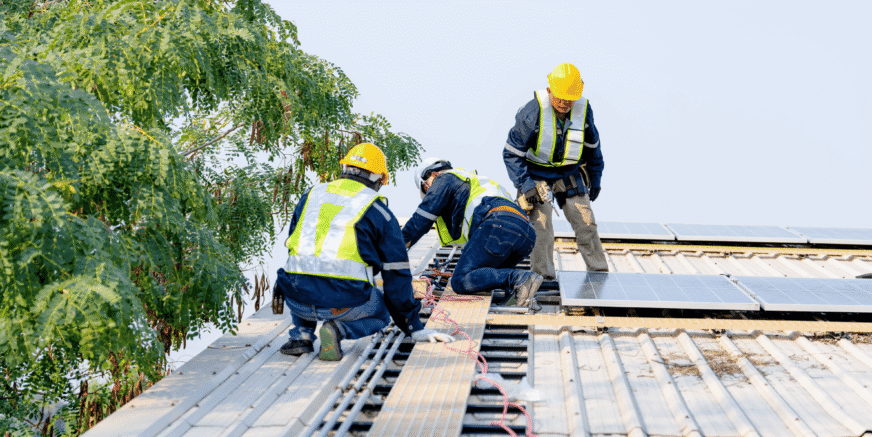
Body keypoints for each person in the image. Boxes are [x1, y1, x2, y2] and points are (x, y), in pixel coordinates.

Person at [275, 143, 454, 361]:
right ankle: (337, 330)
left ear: (345, 168)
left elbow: (295, 247)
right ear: (379, 178)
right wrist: (413, 327)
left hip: (296, 298)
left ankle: (301, 336)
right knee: (382, 313)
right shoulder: (378, 210)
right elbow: (396, 274)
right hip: (343, 305)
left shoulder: (310, 195)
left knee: (306, 272)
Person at [502, 62, 608, 279]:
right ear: (549, 90)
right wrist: (525, 185)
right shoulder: (531, 114)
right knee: (541, 226)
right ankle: (543, 277)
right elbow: (511, 154)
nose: (564, 103)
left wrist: (595, 178)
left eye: (569, 98)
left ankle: (599, 275)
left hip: (569, 173)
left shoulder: (583, 111)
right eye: (560, 97)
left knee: (586, 221)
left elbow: (593, 149)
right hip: (535, 175)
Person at [402, 158, 542, 308]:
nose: (430, 192)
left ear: (434, 174)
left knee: (460, 279)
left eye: (426, 188)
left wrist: (396, 246)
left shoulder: (444, 179)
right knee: (486, 275)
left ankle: (520, 278)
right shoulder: (478, 183)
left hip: (497, 225)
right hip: (526, 233)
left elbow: (421, 219)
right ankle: (522, 294)